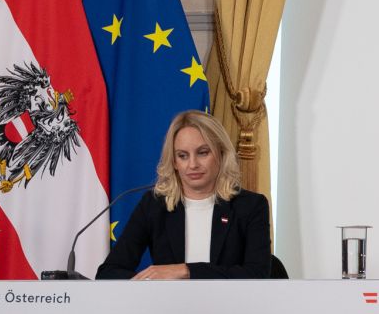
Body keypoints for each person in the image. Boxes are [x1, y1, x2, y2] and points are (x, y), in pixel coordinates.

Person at [96, 110, 271, 280]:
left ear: (222, 153)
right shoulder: (155, 205)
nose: (192, 164)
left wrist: (186, 270)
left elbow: (258, 273)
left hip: (231, 307)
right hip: (168, 307)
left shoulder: (250, 206)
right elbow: (109, 272)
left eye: (203, 153)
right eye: (183, 156)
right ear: (174, 161)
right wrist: (150, 283)